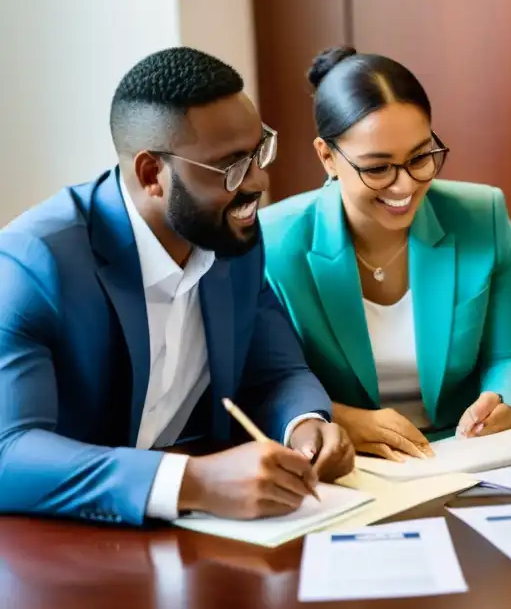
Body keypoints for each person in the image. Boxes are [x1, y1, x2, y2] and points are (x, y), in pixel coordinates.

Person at [0, 47, 354, 526]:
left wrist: (305, 426)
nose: (260, 180)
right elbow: (9, 452)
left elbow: (274, 373)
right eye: (232, 166)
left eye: (258, 152)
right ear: (152, 175)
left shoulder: (234, 235)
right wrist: (194, 482)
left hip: (199, 538)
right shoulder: (32, 261)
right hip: (58, 545)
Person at [259, 47, 511, 460]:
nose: (405, 186)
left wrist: (504, 402)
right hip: (346, 462)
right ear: (327, 157)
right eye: (377, 168)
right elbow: (268, 381)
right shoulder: (276, 240)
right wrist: (336, 417)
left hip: (461, 456)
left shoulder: (483, 215)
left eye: (420, 157)